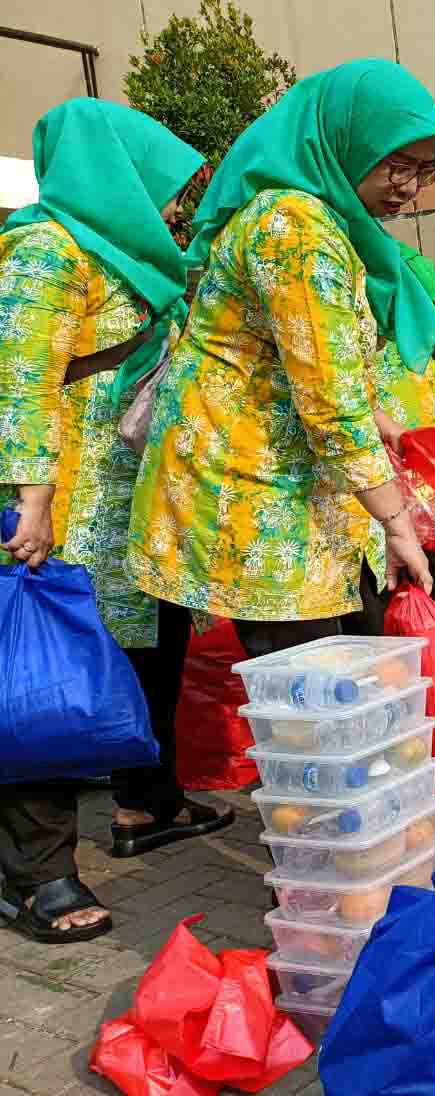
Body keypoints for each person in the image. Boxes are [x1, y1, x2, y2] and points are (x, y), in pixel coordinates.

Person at [128, 59, 435, 662]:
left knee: (345, 695)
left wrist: (379, 427)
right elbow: (328, 400)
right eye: (396, 165)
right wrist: (399, 523)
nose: (407, 187)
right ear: (343, 143)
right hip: (256, 496)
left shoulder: (328, 223)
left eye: (423, 172)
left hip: (298, 487)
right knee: (309, 703)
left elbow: (308, 366)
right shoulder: (293, 227)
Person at [0, 100, 226, 943]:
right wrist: (32, 494)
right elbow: (17, 377)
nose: (172, 204)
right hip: (52, 508)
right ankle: (37, 875)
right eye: (157, 182)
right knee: (39, 684)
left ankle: (147, 803)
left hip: (126, 506)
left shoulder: (126, 258)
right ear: (112, 174)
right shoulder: (46, 250)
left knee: (148, 652)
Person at [347, 238, 435, 633]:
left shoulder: (333, 260)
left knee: (380, 578)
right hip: (431, 440)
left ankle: (400, 674)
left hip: (366, 443)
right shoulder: (409, 265)